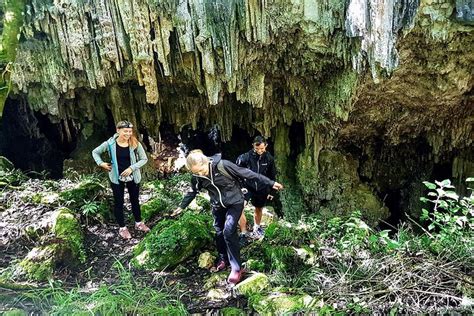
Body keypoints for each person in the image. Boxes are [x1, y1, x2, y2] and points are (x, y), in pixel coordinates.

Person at [172, 150, 283, 284]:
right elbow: (193, 191)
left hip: (235, 202)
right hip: (217, 205)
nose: (200, 174)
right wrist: (182, 206)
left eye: (201, 170)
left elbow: (247, 173)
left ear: (205, 162)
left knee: (229, 231)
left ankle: (236, 268)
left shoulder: (223, 166)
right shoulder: (197, 176)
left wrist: (270, 183)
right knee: (219, 232)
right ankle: (223, 258)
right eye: (196, 172)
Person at [92, 120, 150, 239]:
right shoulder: (110, 144)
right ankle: (122, 228)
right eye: (125, 131)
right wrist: (101, 163)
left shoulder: (135, 143)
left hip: (132, 177)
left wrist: (131, 168)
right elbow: (95, 152)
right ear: (118, 131)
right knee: (119, 202)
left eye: (130, 131)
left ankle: (138, 223)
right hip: (116, 178)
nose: (128, 134)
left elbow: (144, 159)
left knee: (135, 200)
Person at [236, 136, 277, 238]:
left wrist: (271, 192)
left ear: (266, 146)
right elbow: (237, 173)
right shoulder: (245, 157)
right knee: (239, 207)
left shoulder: (269, 158)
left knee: (259, 208)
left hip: (262, 187)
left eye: (262, 148)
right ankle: (244, 232)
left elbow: (272, 175)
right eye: (257, 148)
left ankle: (256, 228)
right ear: (253, 146)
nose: (259, 151)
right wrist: (241, 186)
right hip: (247, 186)